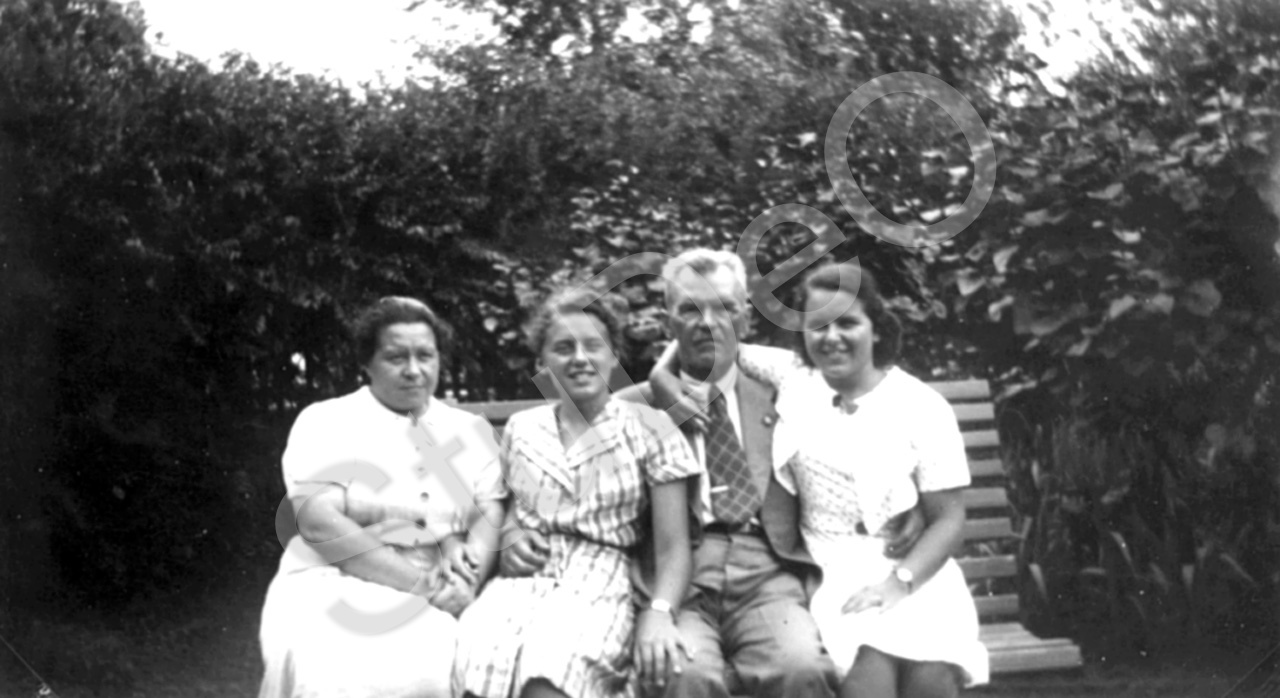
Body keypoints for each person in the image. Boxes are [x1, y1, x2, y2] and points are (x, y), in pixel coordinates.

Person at [452, 288, 702, 698]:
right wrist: (511, 535)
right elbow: (508, 507)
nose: (580, 358)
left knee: (551, 669)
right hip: (523, 579)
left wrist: (660, 611)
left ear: (614, 356)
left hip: (600, 581)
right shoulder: (522, 427)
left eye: (593, 346)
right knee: (481, 655)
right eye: (563, 348)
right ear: (542, 362)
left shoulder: (650, 428)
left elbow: (674, 547)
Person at [761, 262, 989, 697]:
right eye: (818, 325)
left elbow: (948, 519)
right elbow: (717, 345)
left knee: (932, 675)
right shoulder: (792, 378)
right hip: (834, 569)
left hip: (917, 571)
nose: (832, 337)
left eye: (848, 322)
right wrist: (661, 374)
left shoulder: (921, 405)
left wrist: (899, 582)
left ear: (877, 329)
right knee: (871, 673)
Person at [258, 296, 504, 698]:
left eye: (425, 356)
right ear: (367, 362)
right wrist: (425, 586)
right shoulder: (327, 421)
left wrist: (467, 581)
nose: (414, 370)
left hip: (441, 587)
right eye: (395, 357)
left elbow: (489, 512)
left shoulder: (468, 430)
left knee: (436, 657)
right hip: (333, 580)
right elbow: (319, 523)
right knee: (332, 665)